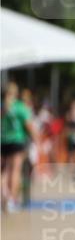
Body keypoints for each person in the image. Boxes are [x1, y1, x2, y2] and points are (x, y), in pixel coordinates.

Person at [1, 83, 36, 213]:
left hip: (2, 141)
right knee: (15, 171)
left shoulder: (1, 106)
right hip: (17, 141)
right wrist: (35, 139)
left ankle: (3, 197)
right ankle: (10, 200)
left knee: (3, 172)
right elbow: (29, 126)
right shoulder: (20, 107)